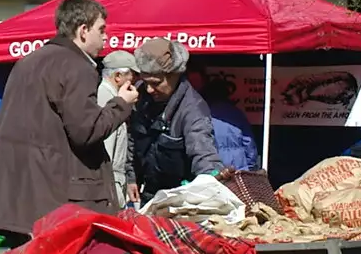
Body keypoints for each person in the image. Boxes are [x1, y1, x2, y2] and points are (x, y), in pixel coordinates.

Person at [0, 0, 138, 248]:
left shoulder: (30, 61)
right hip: (56, 198)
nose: (106, 38)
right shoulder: (75, 66)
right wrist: (121, 103)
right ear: (83, 31)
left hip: (19, 197)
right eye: (101, 30)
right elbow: (86, 131)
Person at [124, 38, 225, 204]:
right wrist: (132, 176)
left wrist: (211, 179)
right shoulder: (142, 96)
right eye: (145, 81)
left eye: (155, 83)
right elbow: (134, 139)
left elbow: (203, 152)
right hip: (149, 194)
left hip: (179, 198)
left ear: (174, 76)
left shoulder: (193, 110)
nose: (149, 89)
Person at [96, 51, 137, 203]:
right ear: (118, 76)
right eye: (132, 75)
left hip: (113, 182)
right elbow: (105, 148)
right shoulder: (106, 99)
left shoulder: (108, 96)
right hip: (110, 185)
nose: (135, 80)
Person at [201, 79, 261, 172]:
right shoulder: (237, 113)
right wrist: (249, 166)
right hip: (239, 167)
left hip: (216, 168)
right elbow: (248, 142)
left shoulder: (203, 114)